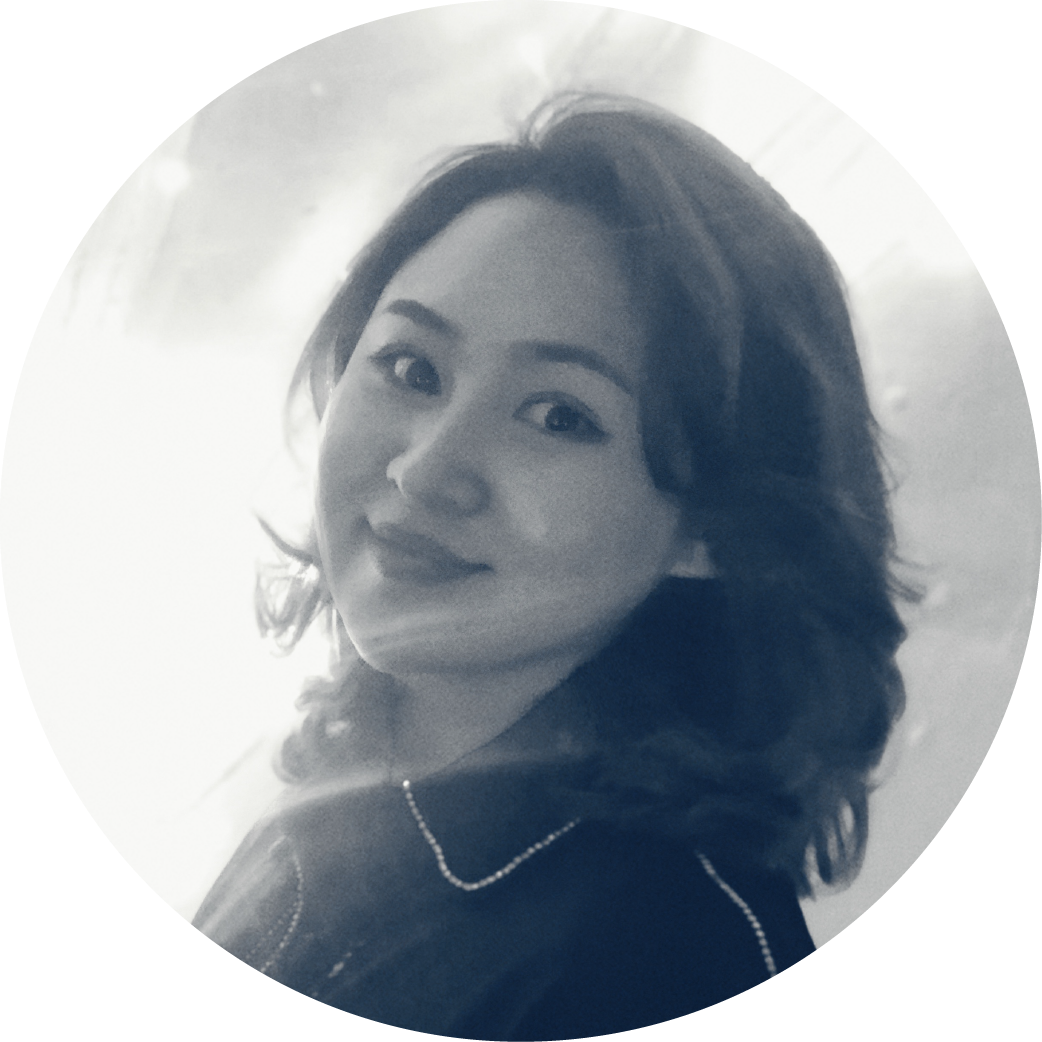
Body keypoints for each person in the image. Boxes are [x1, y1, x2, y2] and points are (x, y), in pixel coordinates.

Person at [193, 93, 909, 1033]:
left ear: (716, 529)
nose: (426, 471)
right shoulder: (351, 779)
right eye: (412, 368)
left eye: (559, 416)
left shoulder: (668, 961)